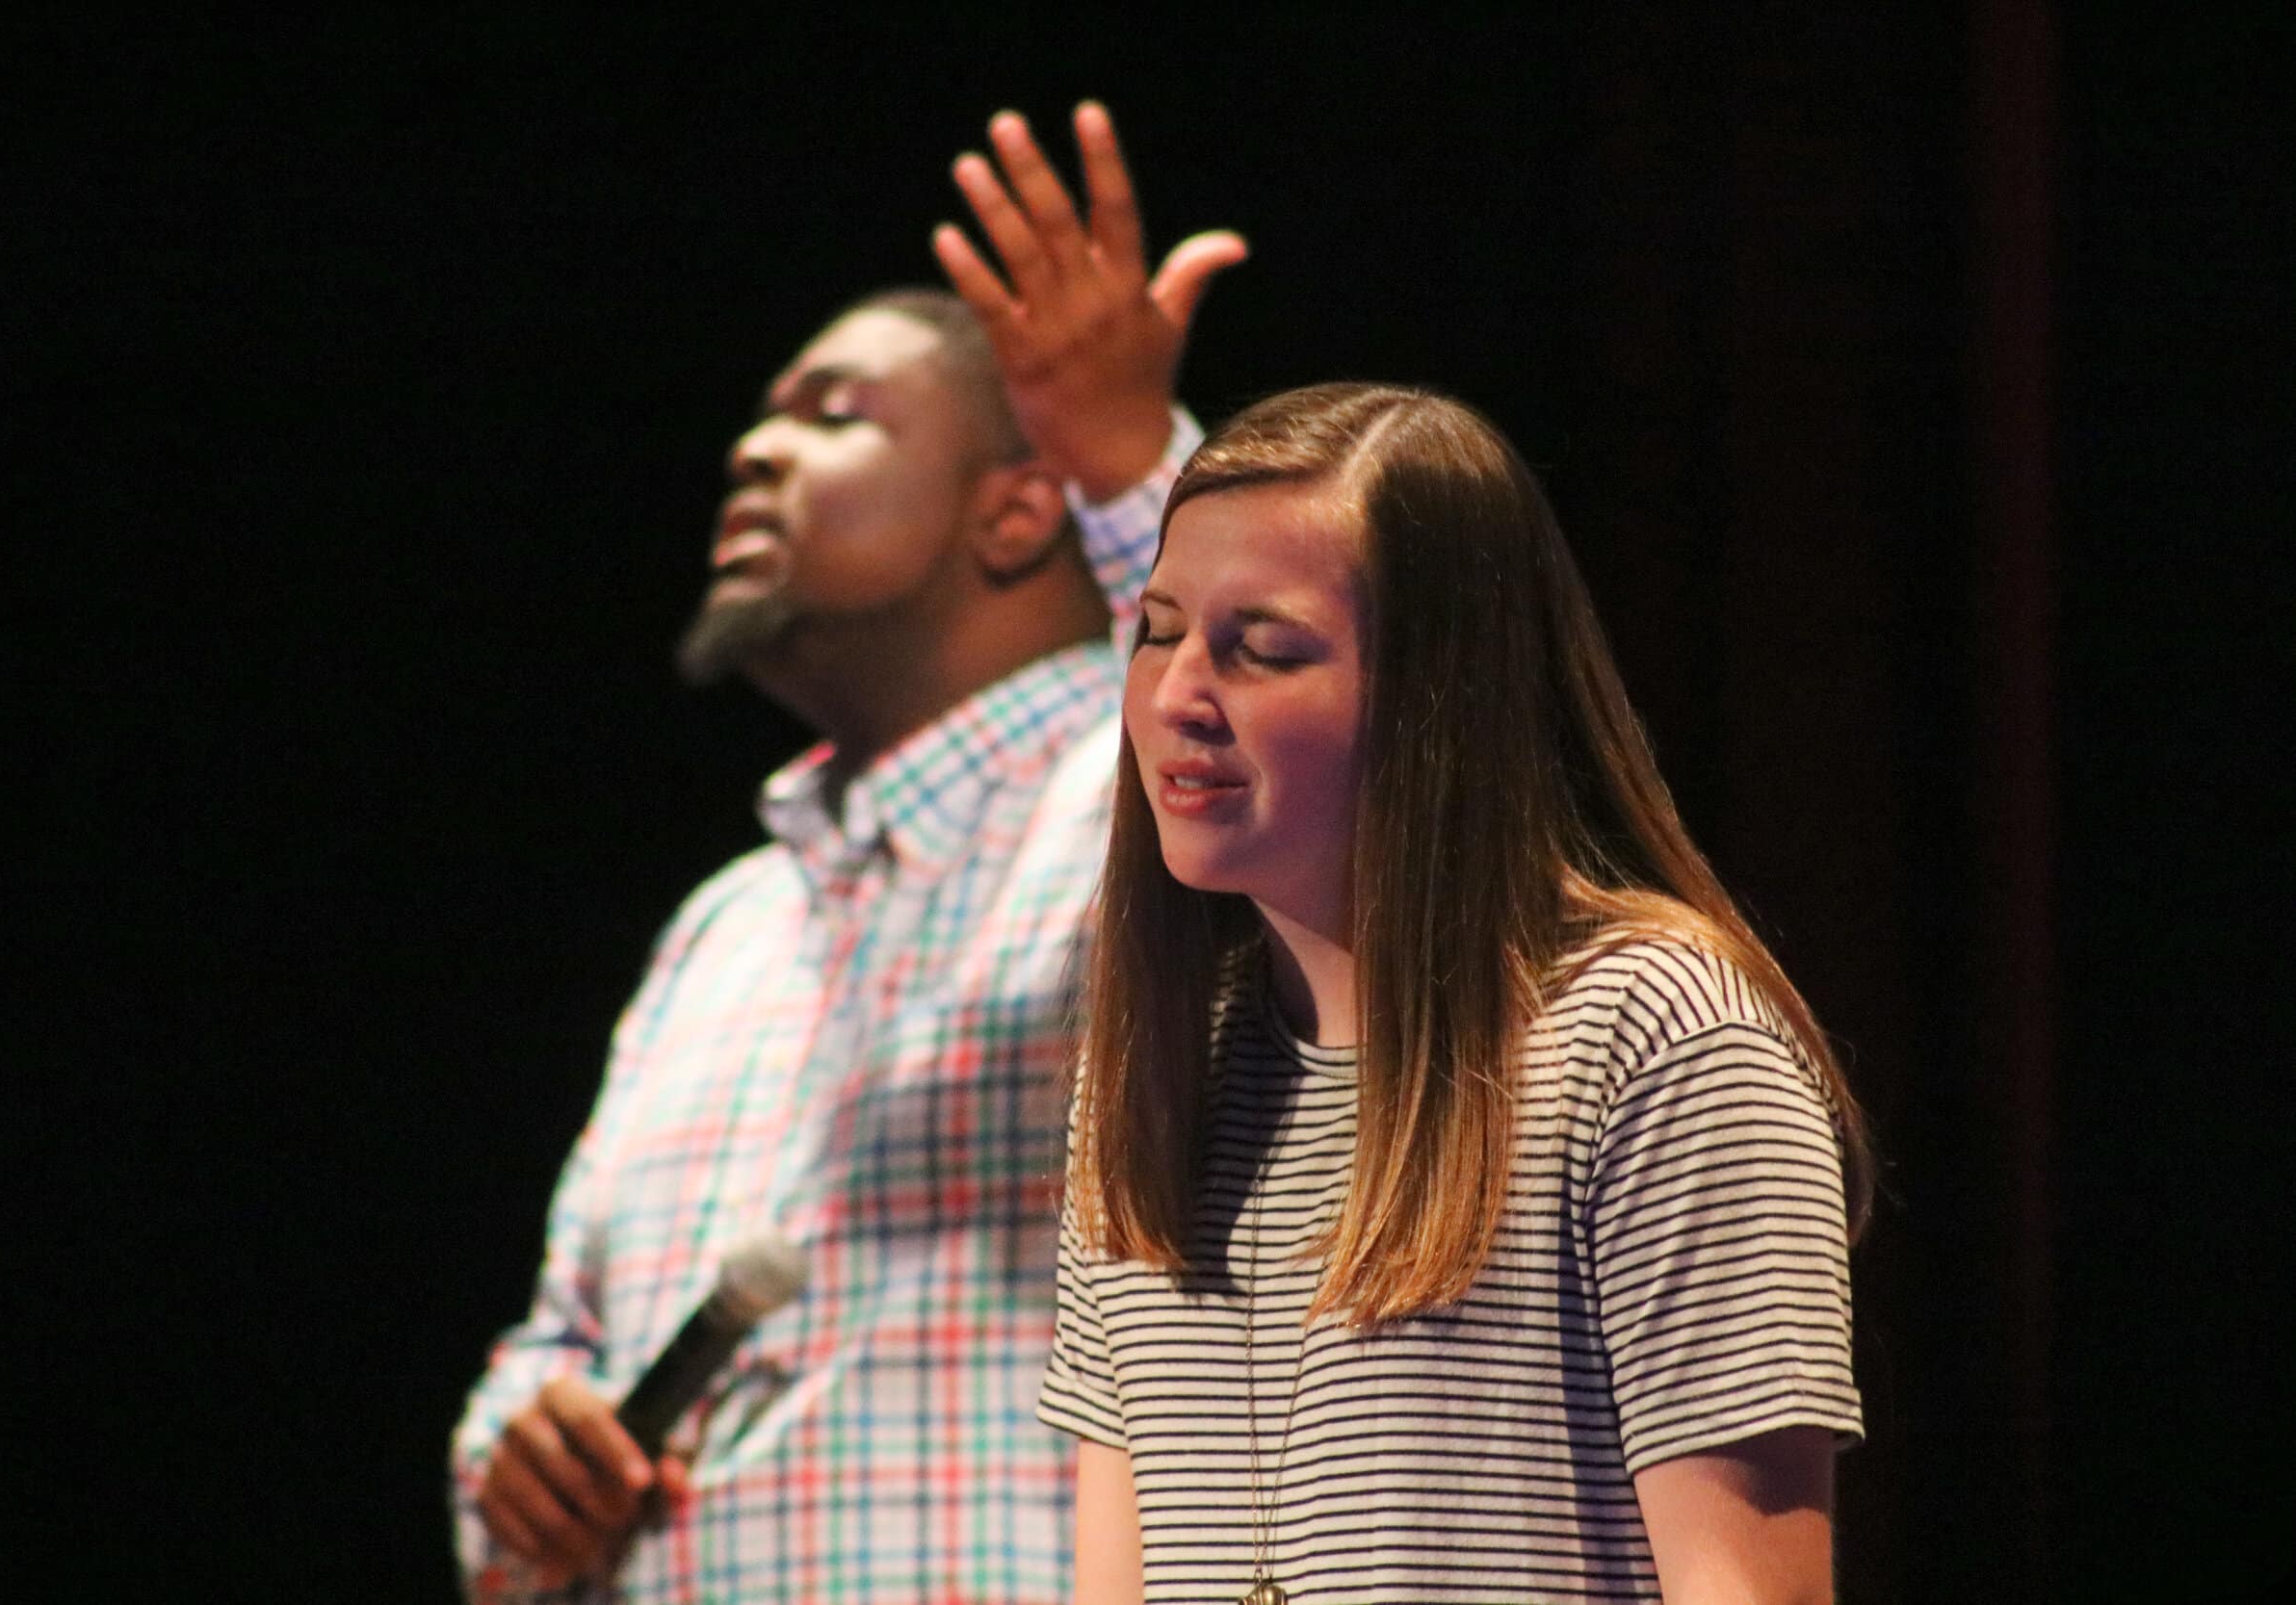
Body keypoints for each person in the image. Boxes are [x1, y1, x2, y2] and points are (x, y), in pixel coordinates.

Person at [450, 103, 1246, 1605]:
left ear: (1016, 510)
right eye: (765, 413)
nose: (752, 449)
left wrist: (1137, 462)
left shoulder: (1130, 800)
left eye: (833, 414)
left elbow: (1306, 719)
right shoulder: (726, 926)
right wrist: (521, 1453)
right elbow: (562, 1334)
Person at [1043, 382, 1873, 1604]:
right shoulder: (1157, 1071)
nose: (1176, 696)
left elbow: (1749, 1589)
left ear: (1441, 697)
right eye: (1159, 631)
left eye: (1261, 648)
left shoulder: (1656, 1037)